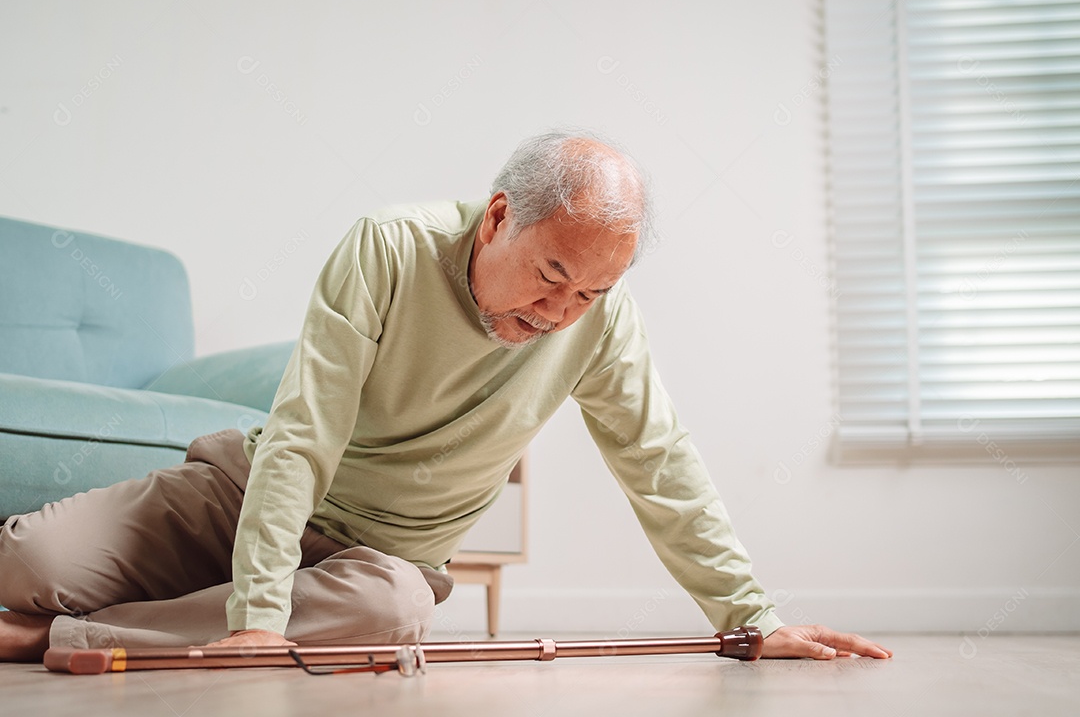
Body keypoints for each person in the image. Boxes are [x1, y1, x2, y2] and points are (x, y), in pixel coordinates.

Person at [0, 130, 891, 662]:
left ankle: (61, 642)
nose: (559, 313)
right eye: (550, 276)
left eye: (590, 294)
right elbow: (306, 435)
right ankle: (181, 618)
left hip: (381, 561)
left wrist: (751, 620)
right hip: (251, 493)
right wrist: (262, 612)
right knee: (27, 566)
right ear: (499, 215)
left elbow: (662, 467)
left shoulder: (597, 325)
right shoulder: (388, 248)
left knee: (390, 613)